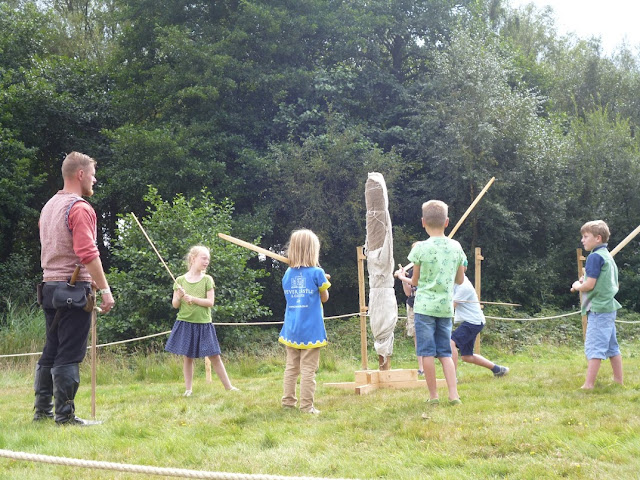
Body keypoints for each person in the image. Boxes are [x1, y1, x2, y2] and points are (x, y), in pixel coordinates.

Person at [35, 151, 115, 425]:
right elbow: (86, 252)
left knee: (52, 349)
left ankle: (42, 413)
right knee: (68, 353)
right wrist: (104, 289)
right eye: (92, 175)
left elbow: (59, 250)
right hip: (70, 292)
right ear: (80, 174)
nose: (95, 180)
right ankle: (65, 417)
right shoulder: (80, 208)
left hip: (49, 288)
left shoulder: (49, 206)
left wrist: (90, 279)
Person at [395, 200, 466, 406]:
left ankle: (434, 396)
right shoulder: (456, 247)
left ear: (423, 222)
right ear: (447, 222)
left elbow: (415, 281)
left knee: (426, 351)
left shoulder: (420, 249)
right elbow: (460, 280)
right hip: (445, 307)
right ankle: (454, 395)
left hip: (424, 307)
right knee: (445, 351)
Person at [166, 245, 238, 396]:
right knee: (188, 356)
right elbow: (175, 304)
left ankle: (229, 387)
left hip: (204, 323)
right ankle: (188, 390)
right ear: (193, 258)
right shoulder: (179, 281)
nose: (207, 262)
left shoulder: (207, 279)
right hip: (185, 322)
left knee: (214, 356)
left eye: (208, 259)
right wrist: (179, 296)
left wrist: (193, 299)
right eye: (203, 258)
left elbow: (210, 302)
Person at [279, 229, 331, 414]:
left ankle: (288, 402)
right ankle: (307, 406)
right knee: (308, 370)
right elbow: (324, 297)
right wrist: (323, 282)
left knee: (291, 368)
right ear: (313, 250)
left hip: (292, 328)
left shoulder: (287, 274)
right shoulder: (317, 272)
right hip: (311, 330)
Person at [570, 220, 623, 389]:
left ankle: (588, 385)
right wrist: (584, 279)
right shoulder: (606, 256)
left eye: (586, 237)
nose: (582, 240)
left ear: (598, 238)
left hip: (598, 309)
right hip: (608, 307)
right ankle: (618, 381)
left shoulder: (594, 257)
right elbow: (600, 280)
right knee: (611, 347)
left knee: (594, 347)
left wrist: (578, 285)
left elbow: (589, 285)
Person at [450, 274, 509, 378]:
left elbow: (450, 308)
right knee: (467, 356)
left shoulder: (464, 287)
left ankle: (452, 378)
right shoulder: (456, 281)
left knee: (451, 343)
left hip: (473, 322)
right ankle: (498, 370)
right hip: (473, 321)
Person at [396, 252, 424, 375]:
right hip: (413, 305)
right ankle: (421, 368)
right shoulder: (412, 270)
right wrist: (403, 279)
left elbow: (416, 282)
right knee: (416, 336)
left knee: (429, 335)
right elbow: (408, 292)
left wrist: (402, 277)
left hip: (427, 305)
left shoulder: (429, 268)